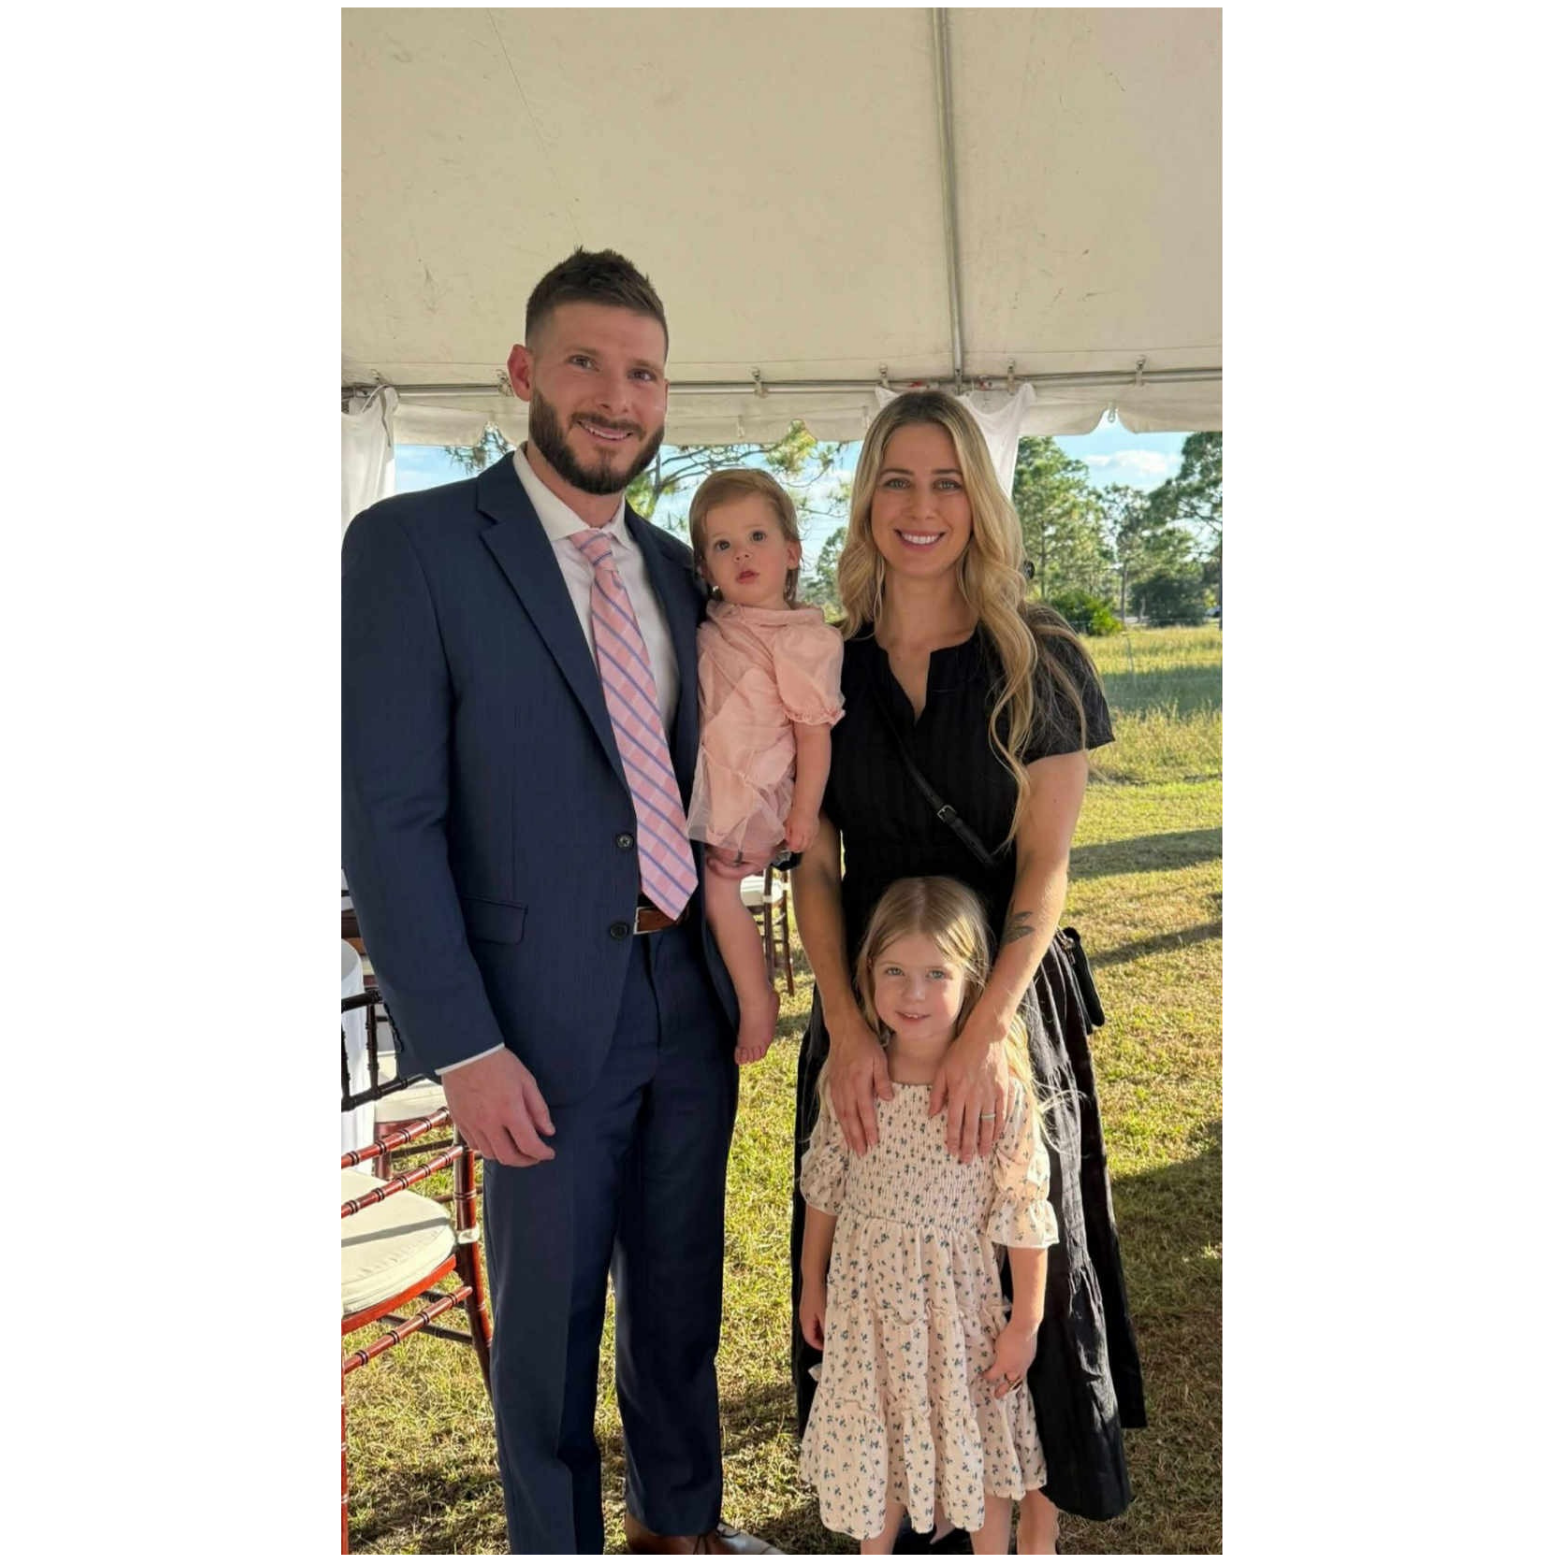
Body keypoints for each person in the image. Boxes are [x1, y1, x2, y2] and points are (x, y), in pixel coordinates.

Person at [341, 248, 772, 1560]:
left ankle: (677, 1532)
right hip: (528, 1023)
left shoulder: (676, 570)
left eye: (642, 373)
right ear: (524, 370)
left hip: (685, 993)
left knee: (681, 1294)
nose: (614, 396)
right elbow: (386, 824)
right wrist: (463, 1047)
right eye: (584, 362)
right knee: (547, 1333)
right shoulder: (411, 547)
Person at [789, 390, 1147, 1557]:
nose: (922, 506)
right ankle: (894, 1494)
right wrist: (846, 1025)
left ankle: (1031, 1524)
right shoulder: (824, 668)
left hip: (1002, 1007)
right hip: (872, 1013)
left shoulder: (1039, 659)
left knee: (1019, 1256)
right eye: (897, 479)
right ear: (866, 502)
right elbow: (814, 862)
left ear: (980, 502)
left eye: (947, 481)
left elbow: (1045, 870)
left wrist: (991, 1027)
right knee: (878, 1251)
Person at [797, 877, 1059, 1562]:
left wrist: (1025, 1324)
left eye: (936, 974)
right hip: (869, 1314)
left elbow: (1023, 1209)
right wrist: (811, 1280)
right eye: (894, 971)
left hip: (960, 1315)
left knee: (979, 1442)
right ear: (866, 973)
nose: (912, 993)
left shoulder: (995, 1090)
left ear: (973, 981)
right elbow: (825, 1183)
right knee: (876, 1441)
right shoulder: (855, 1077)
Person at [684, 469, 844, 1064]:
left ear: (792, 552)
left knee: (719, 890)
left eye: (757, 537)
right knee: (705, 889)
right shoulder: (719, 617)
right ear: (705, 566)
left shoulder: (802, 640)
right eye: (723, 545)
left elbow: (813, 736)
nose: (742, 555)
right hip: (710, 775)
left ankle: (758, 998)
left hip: (751, 788)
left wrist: (803, 814)